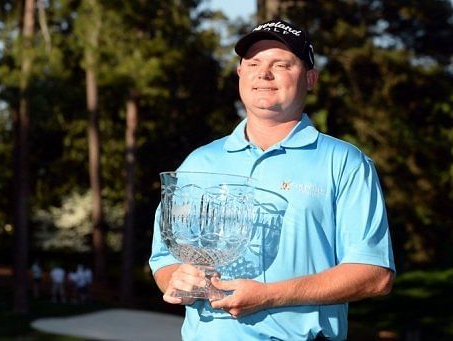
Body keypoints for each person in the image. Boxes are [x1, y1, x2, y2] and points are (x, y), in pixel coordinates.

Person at [149, 19, 395, 340]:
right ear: (240, 74)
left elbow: (374, 275)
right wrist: (176, 280)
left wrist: (269, 295)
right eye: (253, 63)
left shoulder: (345, 162)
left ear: (310, 79)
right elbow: (165, 259)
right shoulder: (199, 161)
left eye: (281, 64)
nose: (264, 74)